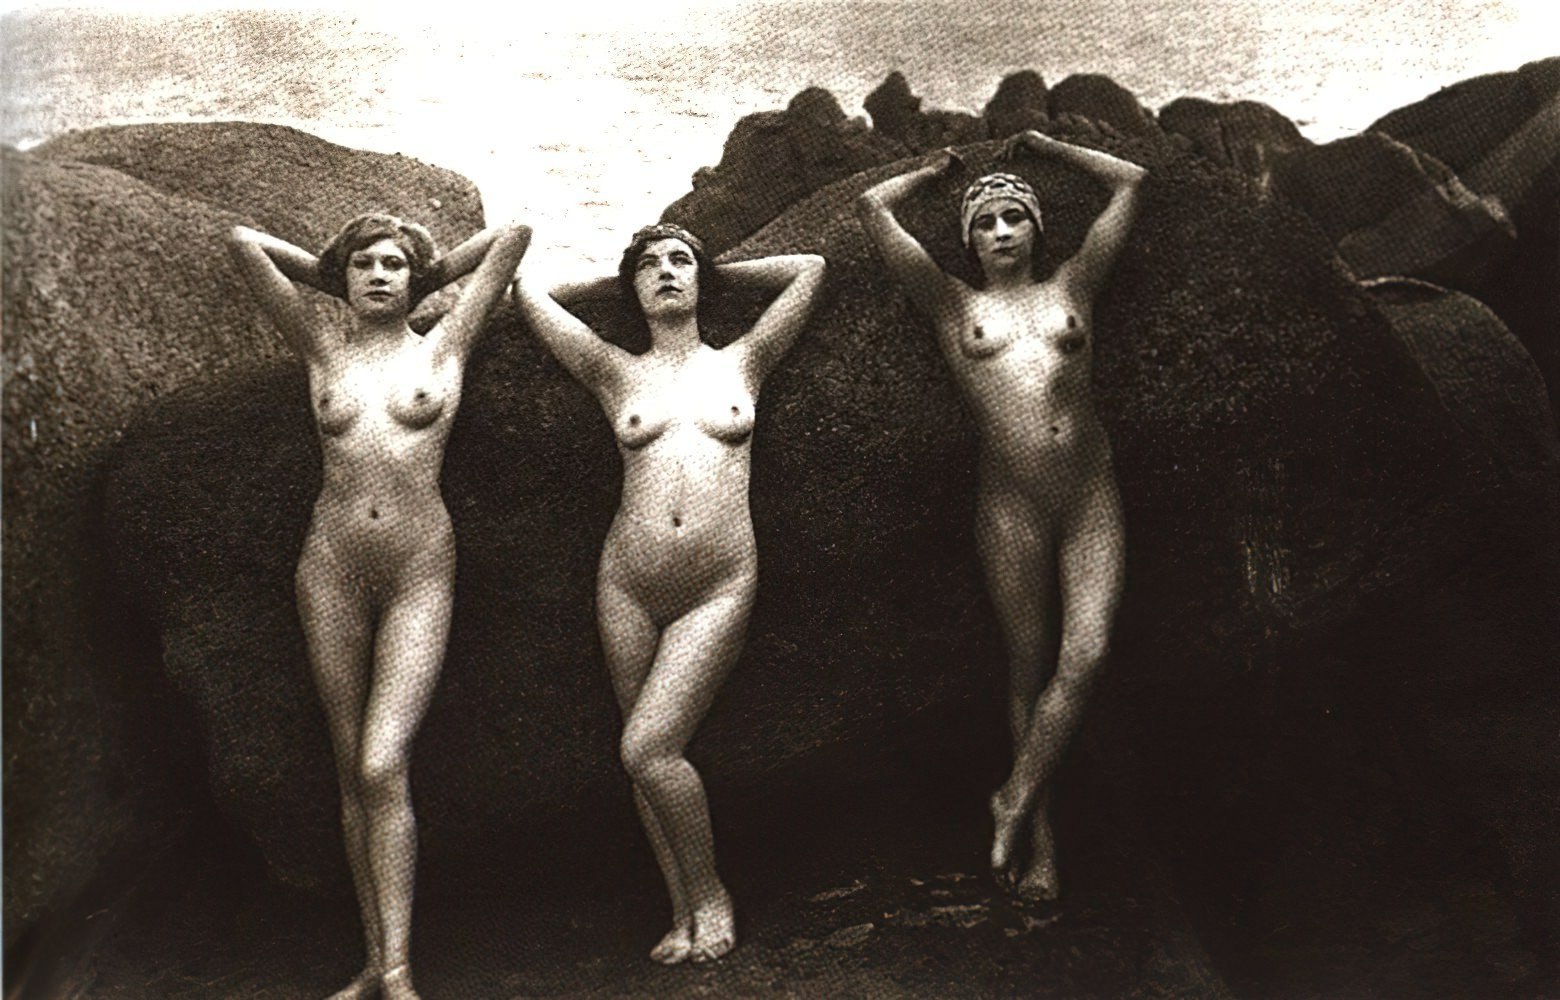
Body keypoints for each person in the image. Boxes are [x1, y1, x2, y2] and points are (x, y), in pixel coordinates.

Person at [227, 212, 531, 999]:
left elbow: (514, 236)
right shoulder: (321, 349)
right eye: (363, 265)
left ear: (415, 277)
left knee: (380, 761)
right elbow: (243, 244)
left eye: (393, 265)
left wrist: (428, 274)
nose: (377, 275)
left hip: (417, 570)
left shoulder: (446, 346)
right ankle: (376, 965)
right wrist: (329, 271)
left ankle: (398, 971)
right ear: (343, 275)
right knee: (350, 771)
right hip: (329, 568)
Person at [512, 223, 824, 963]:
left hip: (719, 585)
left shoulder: (746, 359)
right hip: (626, 583)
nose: (666, 272)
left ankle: (712, 895)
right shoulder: (613, 371)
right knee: (639, 761)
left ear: (701, 278)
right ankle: (681, 912)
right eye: (649, 267)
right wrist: (619, 278)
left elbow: (809, 269)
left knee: (649, 748)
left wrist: (716, 265)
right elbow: (528, 291)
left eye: (680, 261)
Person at [855, 131, 1145, 901]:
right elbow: (871, 209)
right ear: (970, 242)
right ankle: (1040, 852)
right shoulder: (954, 303)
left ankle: (1012, 797)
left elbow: (1131, 182)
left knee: (1087, 654)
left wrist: (1048, 145)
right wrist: (931, 168)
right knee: (1027, 664)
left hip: (1090, 494)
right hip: (1010, 501)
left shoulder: (1076, 283)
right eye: (985, 223)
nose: (1002, 232)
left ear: (1037, 230)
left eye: (1015, 217)